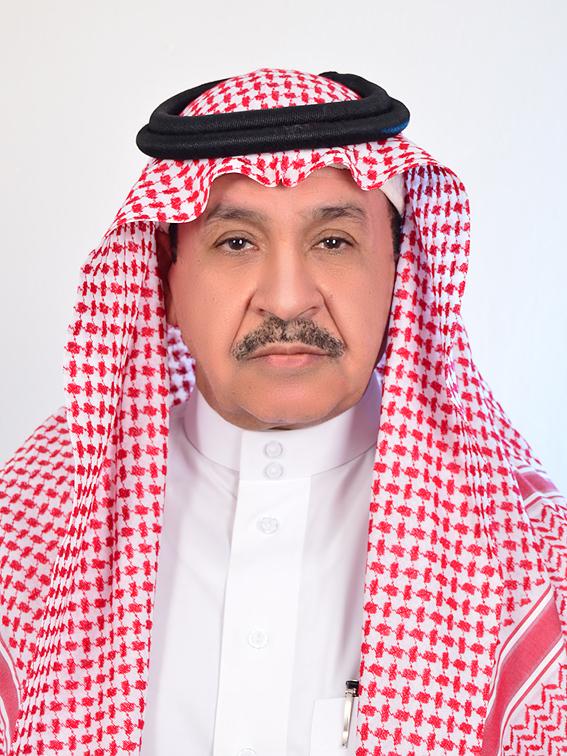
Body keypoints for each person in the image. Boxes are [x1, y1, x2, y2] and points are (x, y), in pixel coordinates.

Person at [0, 67, 565, 756]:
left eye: (334, 242)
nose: (289, 299)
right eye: (236, 242)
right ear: (165, 279)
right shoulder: (29, 535)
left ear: (399, 273)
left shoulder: (532, 561)